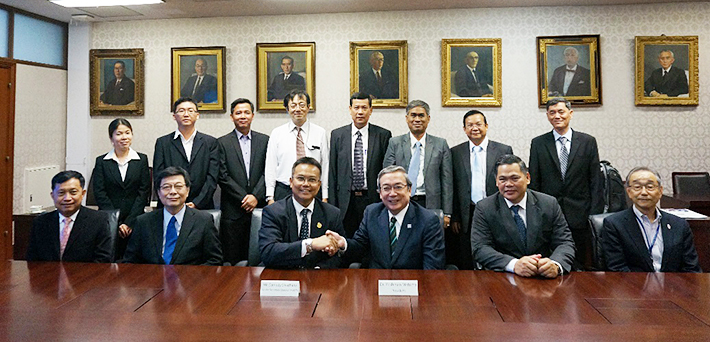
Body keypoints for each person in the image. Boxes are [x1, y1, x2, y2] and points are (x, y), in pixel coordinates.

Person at [471, 155, 576, 278]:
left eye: (514, 178)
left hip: (543, 276)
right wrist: (514, 265)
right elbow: (480, 248)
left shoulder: (548, 204)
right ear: (496, 182)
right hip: (503, 277)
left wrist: (555, 264)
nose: (508, 184)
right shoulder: (485, 208)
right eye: (502, 179)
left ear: (527, 178)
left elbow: (565, 242)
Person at [528, 98, 603, 270]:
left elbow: (595, 182)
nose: (557, 116)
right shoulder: (538, 143)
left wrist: (594, 215)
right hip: (548, 215)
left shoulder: (587, 142)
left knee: (579, 264)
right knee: (550, 264)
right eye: (552, 112)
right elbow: (534, 182)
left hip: (580, 214)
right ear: (547, 116)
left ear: (570, 113)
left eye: (561, 112)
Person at [326, 165, 445, 269]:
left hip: (412, 286)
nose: (392, 193)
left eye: (398, 187)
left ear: (409, 190)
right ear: (380, 193)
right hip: (376, 284)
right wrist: (343, 243)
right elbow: (359, 247)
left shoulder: (428, 220)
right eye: (386, 188)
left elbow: (432, 268)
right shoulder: (372, 213)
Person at [602, 167, 701, 272]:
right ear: (629, 192)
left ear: (660, 191)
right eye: (637, 187)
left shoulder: (679, 225)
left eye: (650, 187)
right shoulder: (614, 224)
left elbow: (691, 267)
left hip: (671, 286)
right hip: (633, 286)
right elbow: (617, 269)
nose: (644, 192)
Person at [450, 110, 513, 269]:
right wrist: (455, 215)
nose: (474, 128)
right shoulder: (455, 152)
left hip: (495, 209)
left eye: (478, 124)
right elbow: (453, 185)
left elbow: (509, 182)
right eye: (469, 125)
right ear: (464, 129)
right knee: (466, 254)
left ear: (486, 126)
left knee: (494, 250)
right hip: (467, 211)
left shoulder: (503, 150)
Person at [123, 166, 223, 265]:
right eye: (166, 187)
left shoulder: (203, 221)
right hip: (152, 279)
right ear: (158, 192)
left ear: (187, 191)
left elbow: (214, 260)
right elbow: (130, 261)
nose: (173, 192)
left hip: (190, 279)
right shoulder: (143, 222)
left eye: (178, 186)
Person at [259, 157, 344, 269]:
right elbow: (269, 252)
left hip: (317, 279)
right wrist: (310, 245)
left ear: (319, 185)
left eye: (312, 180)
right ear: (291, 182)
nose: (306, 184)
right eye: (300, 178)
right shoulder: (273, 212)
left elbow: (339, 257)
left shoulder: (332, 214)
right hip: (282, 276)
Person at [329, 92, 392, 237]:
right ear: (350, 109)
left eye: (364, 108)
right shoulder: (337, 135)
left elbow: (386, 171)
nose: (360, 112)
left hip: (372, 199)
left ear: (371, 110)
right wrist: (332, 204)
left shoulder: (383, 135)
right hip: (346, 200)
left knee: (373, 239)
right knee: (346, 241)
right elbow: (332, 172)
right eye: (356, 107)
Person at [383, 100, 453, 228]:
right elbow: (386, 176)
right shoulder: (395, 143)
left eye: (421, 115)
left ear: (428, 118)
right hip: (402, 201)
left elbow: (447, 181)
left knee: (430, 242)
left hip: (431, 203)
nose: (417, 119)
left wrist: (447, 213)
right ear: (407, 118)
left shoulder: (440, 144)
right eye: (413, 115)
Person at [217, 98, 269, 265]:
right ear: (231, 117)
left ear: (253, 116)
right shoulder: (221, 143)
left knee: (258, 259)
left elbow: (268, 172)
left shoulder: (265, 141)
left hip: (260, 207)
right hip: (233, 211)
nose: (242, 116)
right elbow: (222, 176)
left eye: (246, 112)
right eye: (238, 113)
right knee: (233, 261)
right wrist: (244, 197)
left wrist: (255, 196)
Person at [91, 118, 151, 260]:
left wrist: (129, 222)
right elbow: (100, 192)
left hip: (136, 219)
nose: (124, 137)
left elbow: (144, 192)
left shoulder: (141, 159)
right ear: (111, 138)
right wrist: (116, 222)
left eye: (127, 133)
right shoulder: (102, 161)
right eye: (119, 134)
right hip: (108, 221)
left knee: (134, 261)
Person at [26, 171, 112, 262]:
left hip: (86, 275)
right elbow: (33, 261)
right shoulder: (40, 222)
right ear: (52, 196)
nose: (67, 198)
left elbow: (103, 260)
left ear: (82, 194)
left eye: (73, 192)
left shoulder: (98, 220)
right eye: (61, 193)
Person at [153, 97, 219, 209]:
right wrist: (174, 200)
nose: (186, 114)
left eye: (190, 110)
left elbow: (212, 177)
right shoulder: (163, 143)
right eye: (181, 110)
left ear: (197, 115)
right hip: (170, 204)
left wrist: (197, 203)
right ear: (174, 116)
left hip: (202, 206)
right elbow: (159, 176)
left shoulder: (210, 142)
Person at [265, 90, 329, 204]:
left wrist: (325, 195)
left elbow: (325, 165)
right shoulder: (277, 133)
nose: (298, 109)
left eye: (302, 105)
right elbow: (271, 165)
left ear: (308, 107)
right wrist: (270, 196)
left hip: (312, 190)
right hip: (284, 190)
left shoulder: (320, 133)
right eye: (293, 106)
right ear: (287, 109)